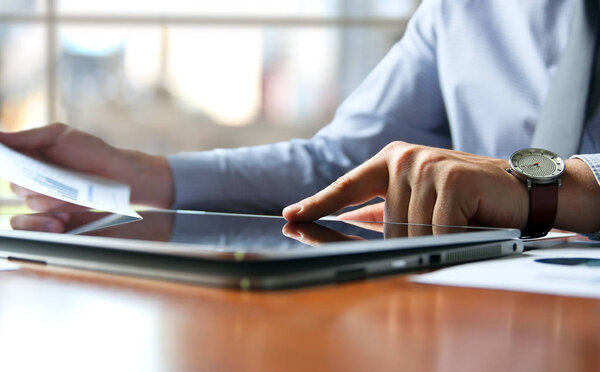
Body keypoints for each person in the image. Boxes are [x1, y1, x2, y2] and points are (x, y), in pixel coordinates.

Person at [2, 0, 600, 235]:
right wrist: (142, 175)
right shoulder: (461, 12)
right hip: (496, 321)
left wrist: (555, 190)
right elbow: (341, 163)